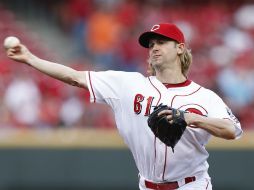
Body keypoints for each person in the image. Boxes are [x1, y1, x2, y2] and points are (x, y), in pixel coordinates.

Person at [5, 23, 242, 190]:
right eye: (151, 45)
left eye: (161, 42)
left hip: (193, 184)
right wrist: (31, 59)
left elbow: (231, 130)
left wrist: (191, 118)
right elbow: (75, 77)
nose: (154, 48)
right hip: (147, 185)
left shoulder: (204, 96)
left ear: (180, 48)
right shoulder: (128, 84)